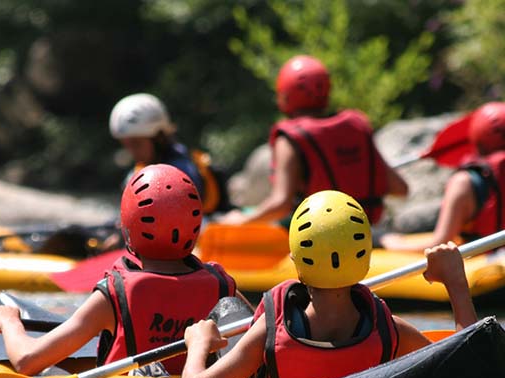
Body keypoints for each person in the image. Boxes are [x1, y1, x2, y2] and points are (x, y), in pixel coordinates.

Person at [181, 190, 478, 378]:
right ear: (364, 259)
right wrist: (455, 284)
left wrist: (198, 345)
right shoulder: (389, 331)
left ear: (297, 263)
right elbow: (465, 374)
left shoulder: (270, 332)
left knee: (228, 310)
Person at [0, 164, 245, 377]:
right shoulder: (224, 286)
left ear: (128, 225)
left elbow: (26, 361)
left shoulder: (115, 294)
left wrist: (9, 321)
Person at [220, 55, 408, 227]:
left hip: (320, 236)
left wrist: (243, 220)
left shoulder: (289, 140)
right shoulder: (356, 126)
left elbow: (281, 204)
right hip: (367, 230)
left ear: (285, 96)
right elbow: (400, 188)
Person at [381, 101, 505, 252]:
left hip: (485, 266)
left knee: (381, 236)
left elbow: (440, 243)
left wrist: (393, 244)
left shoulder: (463, 183)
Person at [109, 92, 227, 216]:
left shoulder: (181, 172)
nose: (131, 151)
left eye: (136, 144)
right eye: (126, 145)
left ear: (158, 138)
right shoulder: (139, 171)